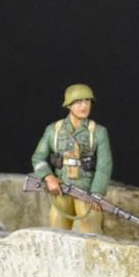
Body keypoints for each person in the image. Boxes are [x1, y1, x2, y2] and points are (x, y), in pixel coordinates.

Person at [31, 84, 113, 233]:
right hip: (61, 190)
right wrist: (49, 177)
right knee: (57, 231)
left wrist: (97, 193)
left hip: (86, 191)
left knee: (91, 230)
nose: (84, 106)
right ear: (68, 105)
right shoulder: (54, 130)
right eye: (78, 102)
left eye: (87, 101)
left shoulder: (98, 132)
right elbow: (38, 158)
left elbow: (104, 165)